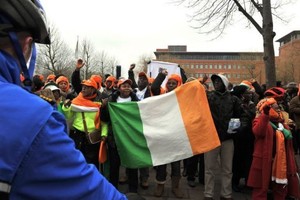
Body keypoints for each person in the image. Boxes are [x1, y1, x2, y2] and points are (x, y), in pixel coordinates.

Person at [0, 1, 126, 199]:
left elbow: (103, 120)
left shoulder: (103, 98)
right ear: (27, 45)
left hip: (92, 139)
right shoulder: (35, 118)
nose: (83, 89)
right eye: (82, 87)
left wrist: (102, 132)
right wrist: (64, 106)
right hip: (77, 139)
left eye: (87, 87)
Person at [247, 97, 300, 199]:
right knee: (260, 187)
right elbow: (258, 131)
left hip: (280, 160)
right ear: (268, 108)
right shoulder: (259, 120)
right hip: (264, 159)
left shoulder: (282, 122)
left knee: (280, 187)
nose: (278, 107)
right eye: (275, 106)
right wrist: (265, 114)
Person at [204, 74, 242, 200]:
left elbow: (241, 116)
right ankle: (208, 194)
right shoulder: (208, 97)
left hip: (227, 139)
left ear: (224, 83)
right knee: (209, 169)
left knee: (227, 169)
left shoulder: (234, 99)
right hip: (211, 138)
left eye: (219, 81)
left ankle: (226, 194)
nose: (216, 83)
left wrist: (235, 128)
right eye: (214, 81)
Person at [151, 70, 184, 198]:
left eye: (173, 83)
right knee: (161, 164)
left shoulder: (182, 97)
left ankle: (175, 187)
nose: (170, 85)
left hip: (176, 136)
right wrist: (162, 75)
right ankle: (160, 186)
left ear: (178, 84)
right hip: (163, 135)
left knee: (176, 164)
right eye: (169, 83)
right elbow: (154, 87)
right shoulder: (161, 95)